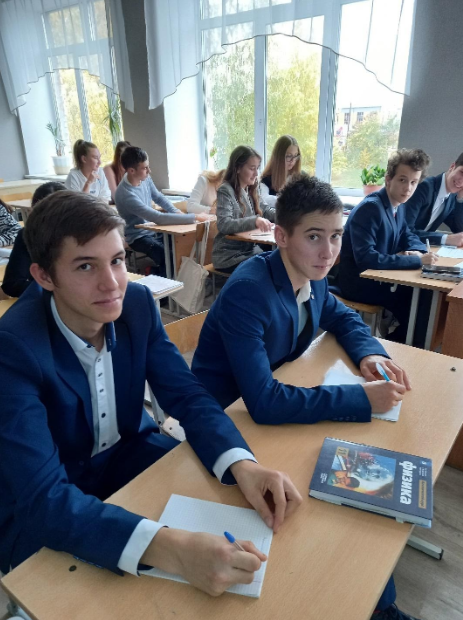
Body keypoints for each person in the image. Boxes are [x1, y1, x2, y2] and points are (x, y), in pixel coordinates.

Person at [0, 191, 302, 596]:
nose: (112, 283)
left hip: (128, 457)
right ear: (44, 277)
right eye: (86, 266)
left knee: (239, 515)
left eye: (117, 260)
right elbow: (43, 499)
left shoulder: (137, 304)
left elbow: (188, 397)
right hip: (47, 496)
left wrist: (243, 465)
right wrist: (173, 550)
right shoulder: (13, 347)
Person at [192, 173, 418, 620]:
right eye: (314, 237)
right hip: (228, 422)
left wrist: (370, 354)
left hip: (270, 412)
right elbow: (264, 402)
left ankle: (378, 604)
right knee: (323, 508)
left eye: (336, 236)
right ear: (282, 237)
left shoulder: (311, 277)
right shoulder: (249, 291)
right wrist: (361, 400)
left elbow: (343, 317)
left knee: (352, 489)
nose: (329, 251)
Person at [337, 149, 438, 345]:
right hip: (360, 283)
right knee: (419, 301)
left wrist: (421, 251)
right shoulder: (371, 208)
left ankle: (403, 343)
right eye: (402, 180)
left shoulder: (398, 205)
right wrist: (416, 260)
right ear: (388, 179)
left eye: (413, 182)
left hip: (381, 277)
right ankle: (401, 346)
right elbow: (366, 259)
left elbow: (406, 233)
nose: (408, 188)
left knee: (425, 298)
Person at [115, 146, 211, 276]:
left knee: (181, 247)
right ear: (132, 171)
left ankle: (168, 276)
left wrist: (176, 211)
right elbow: (158, 218)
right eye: (145, 168)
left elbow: (159, 197)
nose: (149, 171)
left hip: (154, 230)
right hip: (139, 237)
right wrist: (194, 216)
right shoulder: (126, 195)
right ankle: (157, 280)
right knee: (169, 257)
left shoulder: (144, 178)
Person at [212, 145, 275, 273]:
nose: (256, 173)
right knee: (268, 268)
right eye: (252, 168)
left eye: (257, 168)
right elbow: (224, 224)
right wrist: (255, 221)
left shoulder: (252, 188)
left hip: (249, 251)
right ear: (238, 168)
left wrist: (288, 216)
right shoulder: (226, 190)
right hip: (229, 256)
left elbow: (266, 211)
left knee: (276, 261)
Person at [2, 182, 66, 298]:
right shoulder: (28, 235)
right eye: (46, 215)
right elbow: (11, 284)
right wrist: (56, 291)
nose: (54, 221)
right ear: (34, 212)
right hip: (47, 300)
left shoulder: (86, 236)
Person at [404, 152, 463, 246]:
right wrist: (445, 238)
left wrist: (460, 199)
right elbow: (405, 231)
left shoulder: (451, 197)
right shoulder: (423, 188)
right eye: (462, 173)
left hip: (420, 248)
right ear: (452, 166)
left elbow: (459, 230)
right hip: (399, 248)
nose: (461, 181)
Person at [260, 135, 301, 199]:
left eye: (295, 156)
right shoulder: (266, 180)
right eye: (289, 156)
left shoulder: (299, 177)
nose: (293, 160)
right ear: (278, 157)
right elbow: (264, 199)